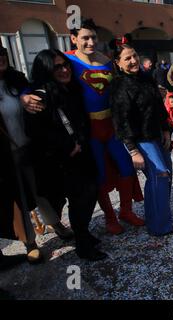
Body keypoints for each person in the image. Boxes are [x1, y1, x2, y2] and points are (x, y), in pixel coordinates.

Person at [24, 49, 107, 261]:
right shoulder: (40, 97)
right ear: (46, 71)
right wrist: (67, 147)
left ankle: (83, 234)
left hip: (80, 152)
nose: (64, 70)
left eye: (65, 65)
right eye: (57, 67)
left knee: (88, 195)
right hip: (62, 160)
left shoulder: (70, 89)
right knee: (79, 199)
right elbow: (38, 133)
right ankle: (82, 243)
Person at [110, 40, 173, 237]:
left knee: (166, 176)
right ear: (117, 62)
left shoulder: (146, 78)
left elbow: (158, 106)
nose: (133, 60)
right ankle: (158, 226)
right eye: (127, 58)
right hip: (141, 140)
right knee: (159, 175)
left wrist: (165, 130)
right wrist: (133, 150)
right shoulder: (119, 86)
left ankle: (159, 216)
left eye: (134, 55)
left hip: (156, 134)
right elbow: (121, 121)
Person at [0, 45, 45, 264]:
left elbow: (38, 91)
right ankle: (29, 242)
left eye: (1, 53)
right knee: (17, 199)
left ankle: (56, 223)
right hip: (6, 156)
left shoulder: (17, 79)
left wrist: (28, 95)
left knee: (42, 189)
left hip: (30, 146)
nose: (0, 58)